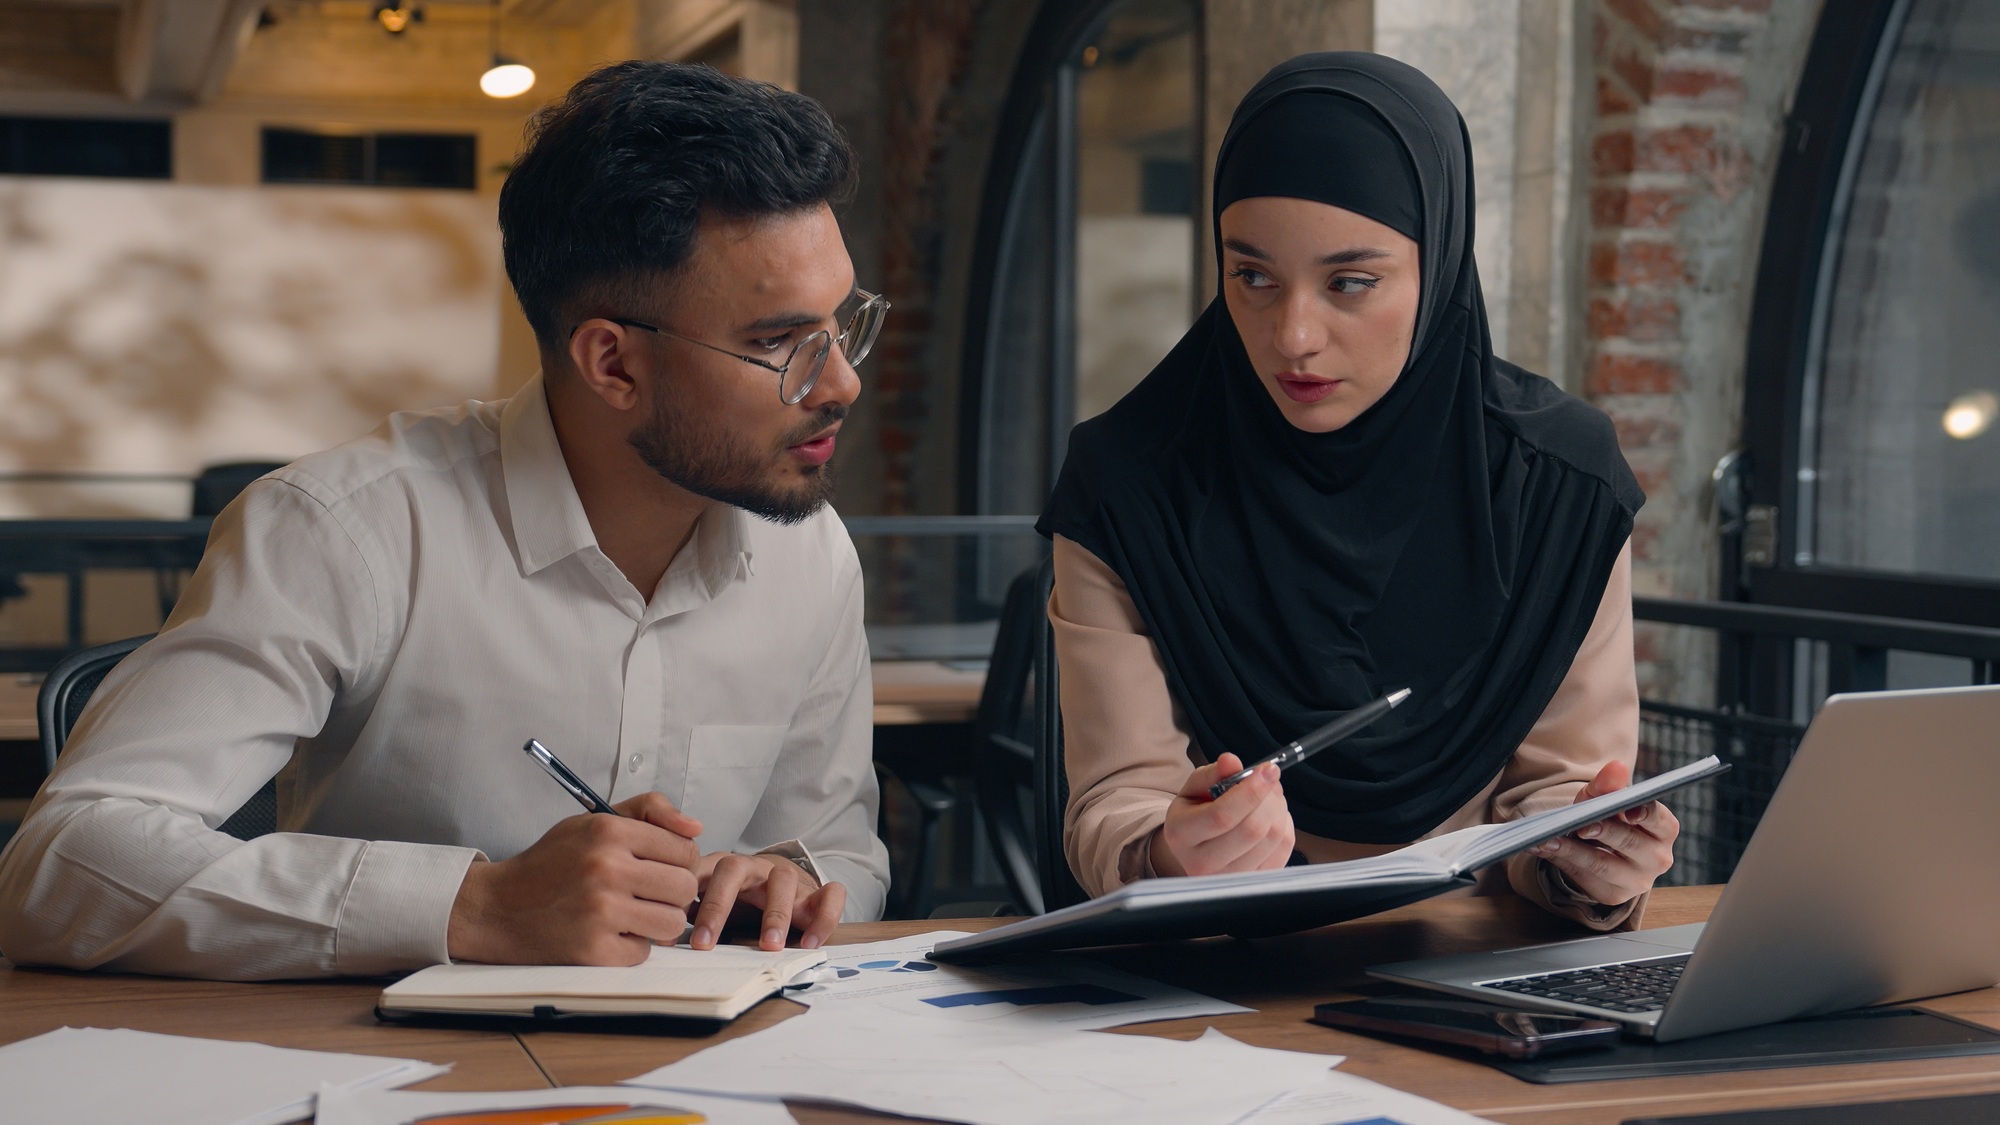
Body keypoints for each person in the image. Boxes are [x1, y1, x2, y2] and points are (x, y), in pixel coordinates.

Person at [0, 62, 891, 979]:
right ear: (612, 364)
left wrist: (788, 879)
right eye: (780, 343)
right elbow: (61, 862)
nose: (842, 384)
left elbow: (844, 853)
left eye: (843, 324)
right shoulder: (346, 531)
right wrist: (476, 906)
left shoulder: (811, 557)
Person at [1040, 52, 1677, 929]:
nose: (1292, 335)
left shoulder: (1559, 483)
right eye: (1252, 276)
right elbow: (1117, 803)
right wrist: (1165, 852)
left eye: (1350, 283)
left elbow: (1558, 796)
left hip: (1473, 988)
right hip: (1214, 983)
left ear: (1440, 266)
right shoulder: (1129, 483)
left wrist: (1596, 864)